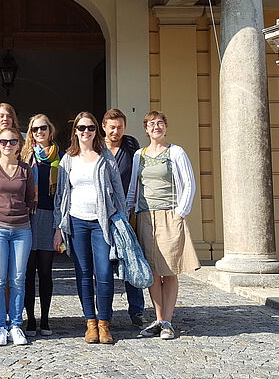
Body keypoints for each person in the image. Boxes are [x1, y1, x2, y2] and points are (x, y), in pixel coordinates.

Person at [53, 112, 126, 345]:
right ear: (75, 131)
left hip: (101, 222)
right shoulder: (68, 159)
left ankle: (105, 323)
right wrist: (58, 226)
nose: (86, 132)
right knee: (83, 273)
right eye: (82, 128)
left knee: (103, 273)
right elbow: (61, 195)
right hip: (76, 221)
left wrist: (122, 221)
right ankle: (91, 323)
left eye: (90, 128)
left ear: (96, 130)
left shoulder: (105, 156)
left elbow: (118, 190)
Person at [126, 111, 199, 340]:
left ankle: (168, 320)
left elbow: (189, 183)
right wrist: (128, 211)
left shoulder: (176, 152)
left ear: (166, 127)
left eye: (160, 123)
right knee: (153, 272)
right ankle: (158, 319)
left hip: (169, 215)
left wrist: (180, 213)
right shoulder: (139, 155)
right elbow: (133, 186)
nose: (156, 127)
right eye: (151, 124)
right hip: (146, 216)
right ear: (146, 129)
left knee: (169, 269)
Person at [0, 126, 36, 347]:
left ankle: (15, 325)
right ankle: (0, 326)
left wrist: (18, 214)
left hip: (22, 229)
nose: (8, 145)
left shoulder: (26, 170)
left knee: (18, 279)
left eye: (12, 141)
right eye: (3, 141)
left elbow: (31, 199)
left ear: (19, 144)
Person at [102, 108, 145, 328]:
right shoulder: (97, 147)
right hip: (102, 214)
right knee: (104, 265)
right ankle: (104, 313)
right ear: (104, 127)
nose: (115, 131)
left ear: (124, 127)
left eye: (119, 127)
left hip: (126, 213)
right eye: (112, 127)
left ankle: (137, 310)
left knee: (131, 258)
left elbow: (138, 176)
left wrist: (134, 206)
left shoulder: (130, 144)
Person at [21, 114, 60, 336]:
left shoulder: (60, 157)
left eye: (43, 128)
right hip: (28, 217)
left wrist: (59, 226)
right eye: (35, 129)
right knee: (28, 272)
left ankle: (45, 319)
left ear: (50, 129)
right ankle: (31, 319)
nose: (39, 132)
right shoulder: (25, 156)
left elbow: (63, 192)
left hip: (49, 216)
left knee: (45, 271)